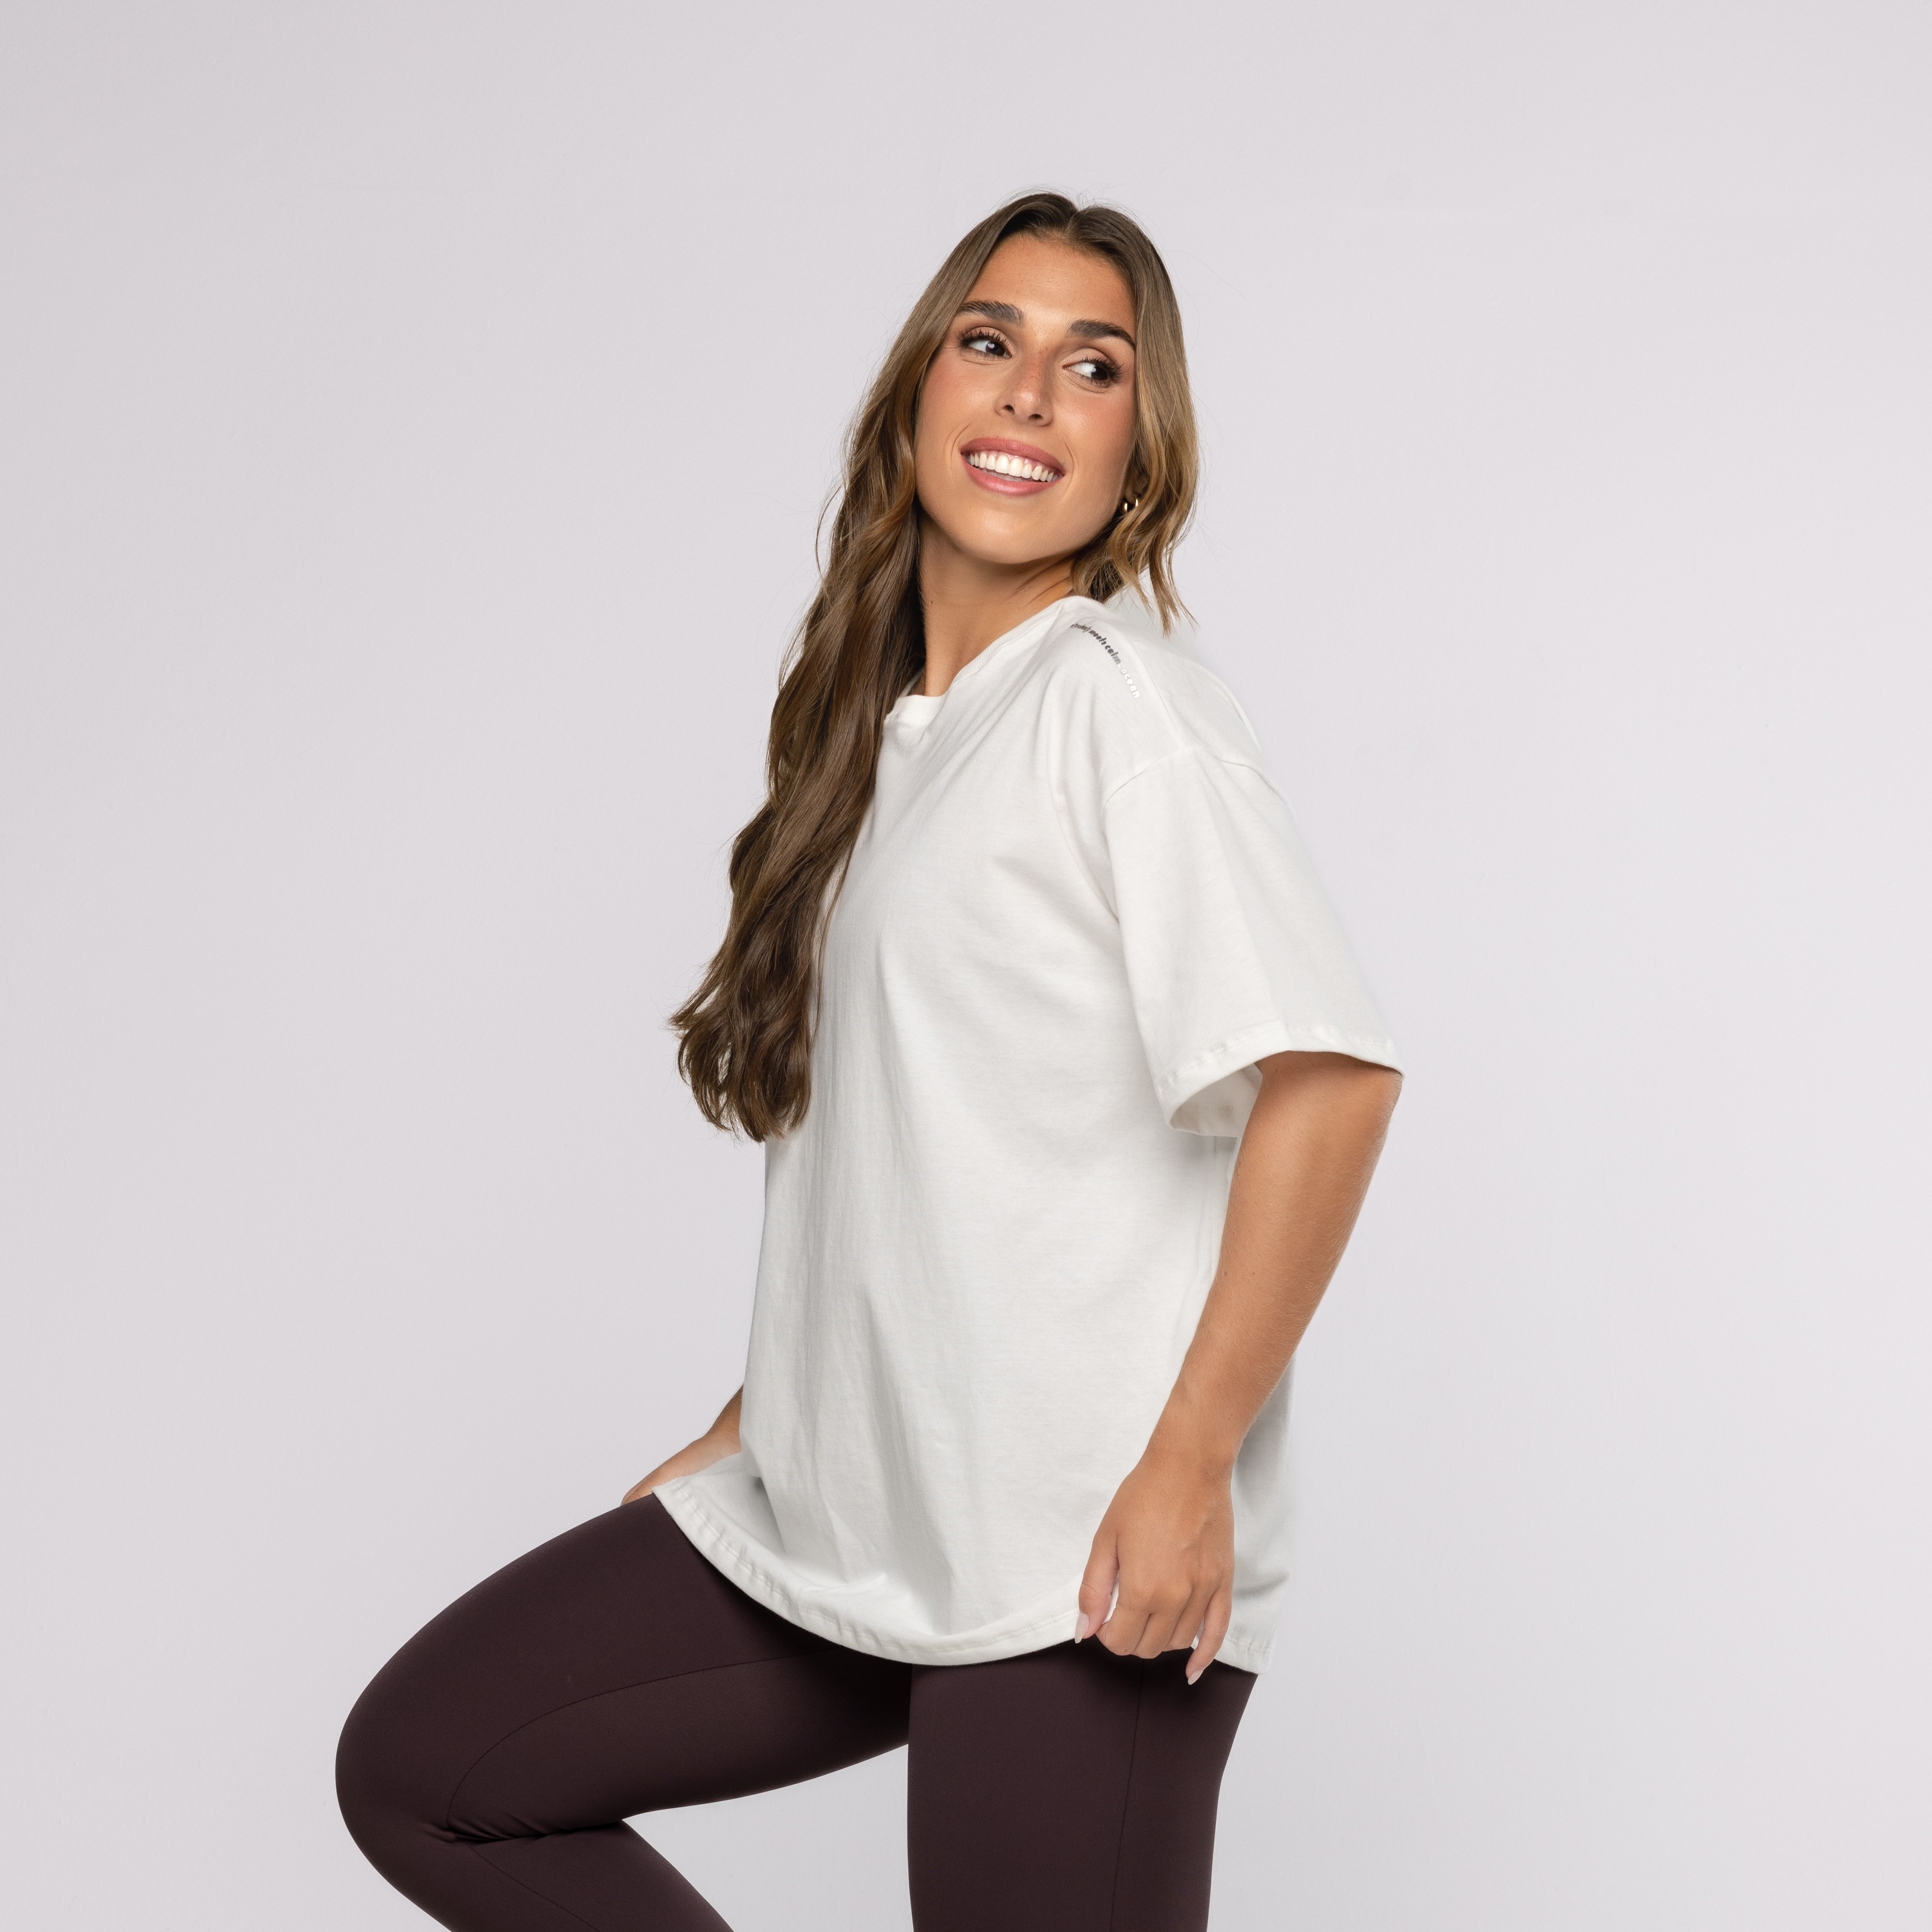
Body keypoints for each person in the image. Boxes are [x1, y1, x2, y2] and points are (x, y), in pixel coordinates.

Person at [336, 190, 1403, 1932]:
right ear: (919, 390)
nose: (1031, 392)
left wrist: (1191, 1464)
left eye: (1095, 367)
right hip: (859, 1508)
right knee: (435, 1772)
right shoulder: (888, 747)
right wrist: (759, 1424)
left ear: (1140, 453)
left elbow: (1333, 1083)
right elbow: (927, 1151)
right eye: (990, 341)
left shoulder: (1115, 701)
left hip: (1073, 1553)